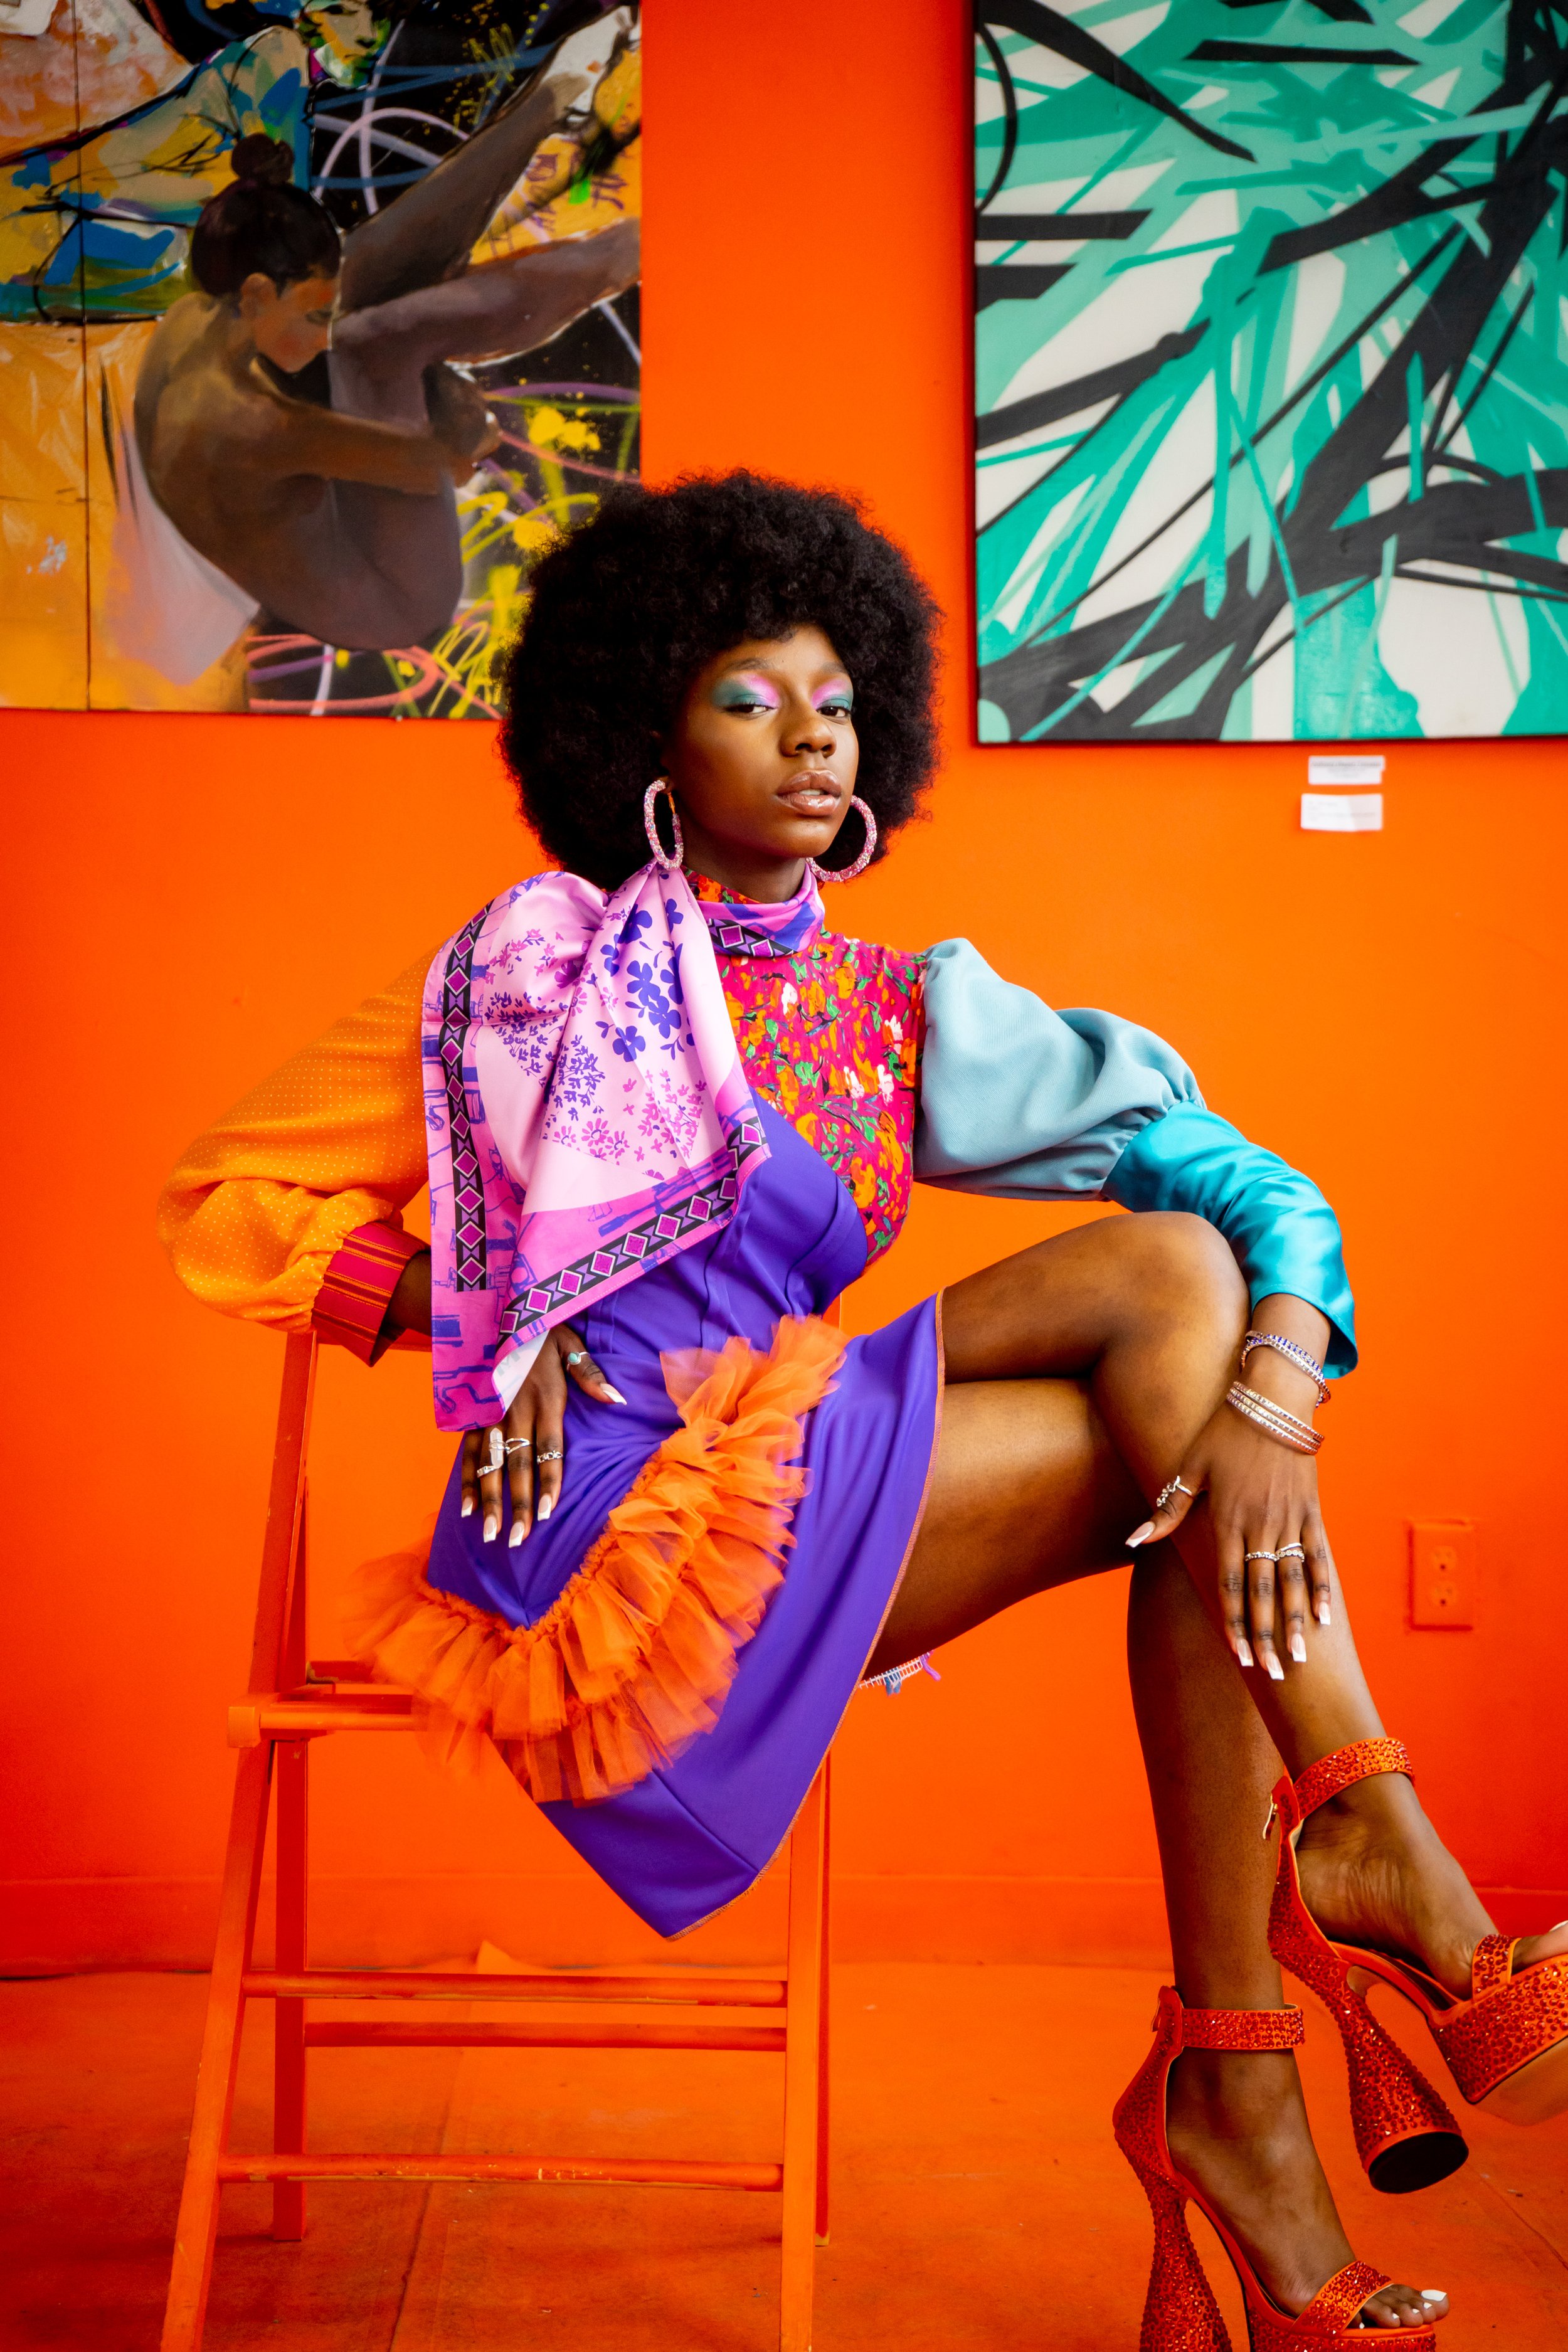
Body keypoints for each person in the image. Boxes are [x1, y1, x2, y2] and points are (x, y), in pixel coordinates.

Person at [160, 472, 1568, 2344]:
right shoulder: (521, 983)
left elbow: (1255, 1189)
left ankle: (1247, 2050)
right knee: (1168, 1346)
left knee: (1190, 1316)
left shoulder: (901, 1013)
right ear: (643, 729)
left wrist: (1281, 1388)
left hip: (798, 1472)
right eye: (750, 695)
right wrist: (477, 1300)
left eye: (834, 699)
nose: (809, 734)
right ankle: (1324, 1924)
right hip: (609, 1552)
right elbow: (218, 1199)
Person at [128, 29, 637, 657]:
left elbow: (328, 311)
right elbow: (443, 462)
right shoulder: (246, 424)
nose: (323, 334)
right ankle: (623, 253)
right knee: (375, 343)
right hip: (385, 593)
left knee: (364, 269)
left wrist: (415, 357)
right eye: (313, 318)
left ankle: (555, 95)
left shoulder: (208, 309)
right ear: (256, 295)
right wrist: (451, 404)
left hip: (314, 492)